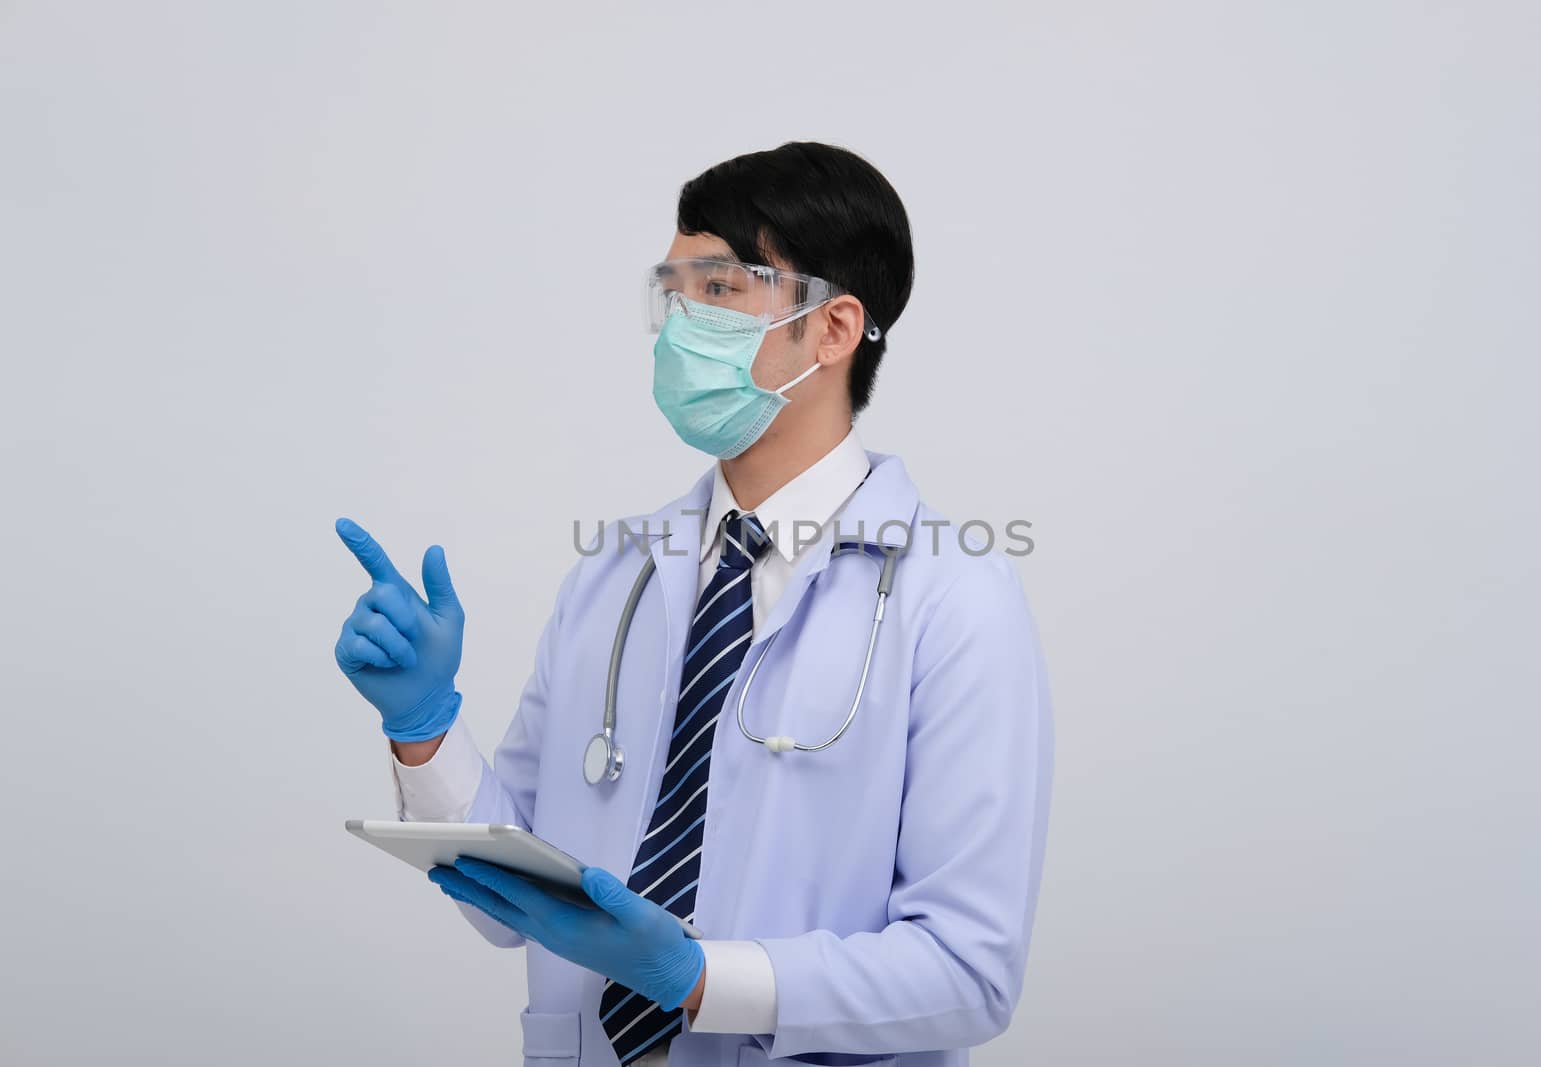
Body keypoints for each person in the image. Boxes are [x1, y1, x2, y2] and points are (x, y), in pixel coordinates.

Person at [333, 141, 1054, 1066]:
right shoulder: (617, 571)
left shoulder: (956, 596)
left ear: (833, 330)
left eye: (719, 290)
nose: (680, 323)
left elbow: (971, 972)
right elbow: (515, 897)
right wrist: (424, 725)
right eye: (671, 291)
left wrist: (704, 979)